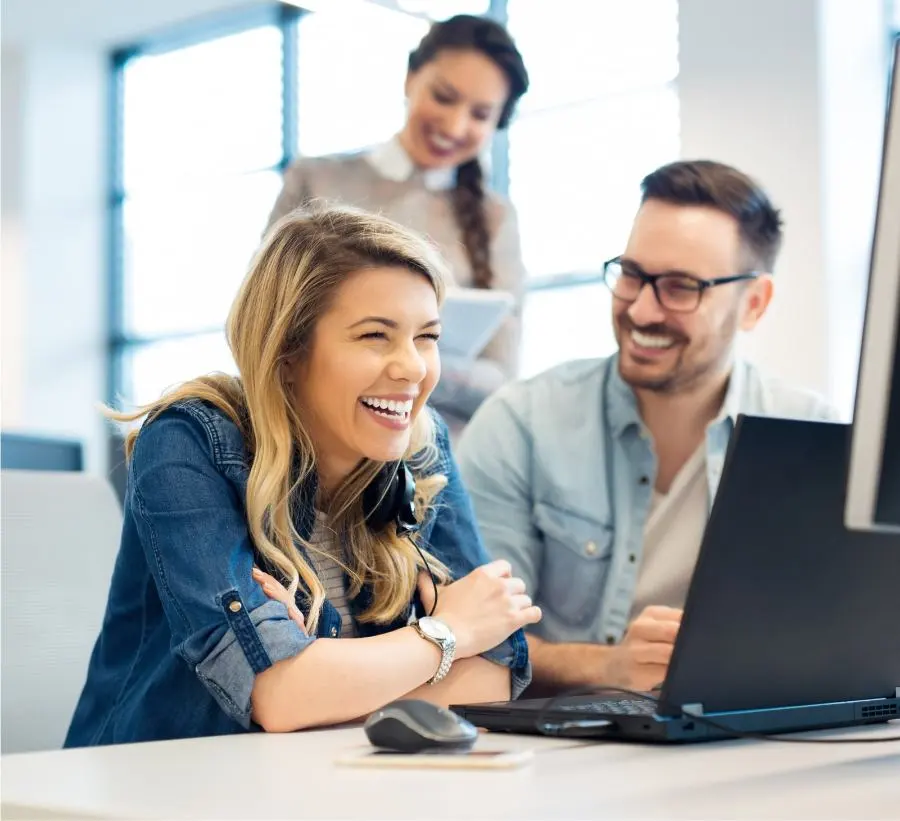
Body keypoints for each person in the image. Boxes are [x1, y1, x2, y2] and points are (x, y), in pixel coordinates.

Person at [65, 206, 539, 747]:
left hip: (319, 784)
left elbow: (493, 676)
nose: (412, 367)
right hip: (146, 785)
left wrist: (322, 672)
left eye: (425, 336)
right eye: (375, 336)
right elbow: (280, 696)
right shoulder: (187, 441)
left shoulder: (421, 449)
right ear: (288, 350)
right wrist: (446, 632)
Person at [455, 160, 839, 697]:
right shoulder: (520, 424)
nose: (641, 308)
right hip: (564, 756)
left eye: (680, 287)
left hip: (748, 745)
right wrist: (609, 666)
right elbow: (473, 639)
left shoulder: (815, 439)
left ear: (753, 304)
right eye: (632, 274)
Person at [266, 14, 530, 430]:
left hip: (436, 462)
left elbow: (501, 377)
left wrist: (394, 363)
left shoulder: (495, 219)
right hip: (314, 440)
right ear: (410, 78)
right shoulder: (316, 180)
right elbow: (264, 322)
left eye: (480, 115)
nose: (455, 125)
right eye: (444, 97)